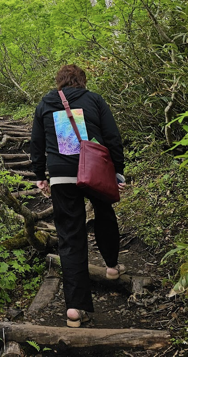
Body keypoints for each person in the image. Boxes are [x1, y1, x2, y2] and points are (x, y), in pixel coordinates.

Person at [27, 64, 127, 327]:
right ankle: (112, 267)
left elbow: (36, 142)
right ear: (82, 81)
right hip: (95, 169)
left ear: (59, 82)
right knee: (104, 212)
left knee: (70, 237)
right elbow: (112, 137)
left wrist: (40, 174)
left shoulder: (45, 103)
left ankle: (74, 308)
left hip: (61, 176)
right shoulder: (94, 99)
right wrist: (118, 172)